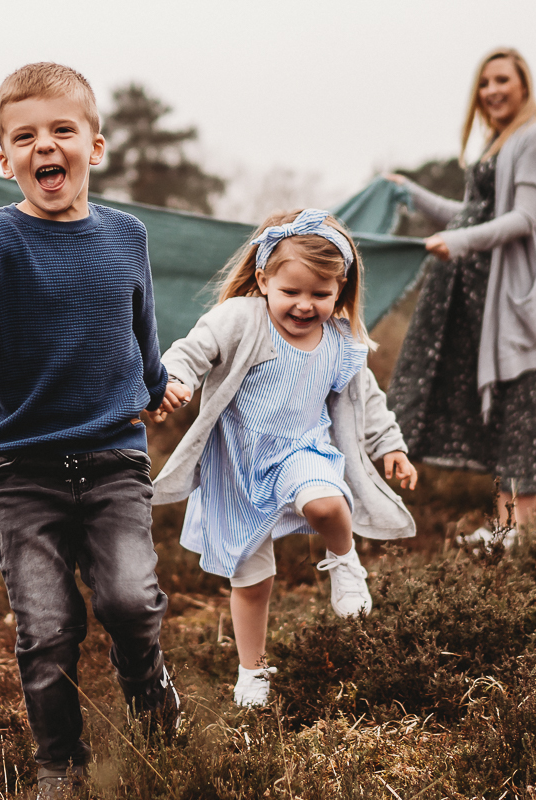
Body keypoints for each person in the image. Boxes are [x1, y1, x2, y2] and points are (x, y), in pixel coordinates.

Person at [0, 63, 179, 798]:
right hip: (23, 471)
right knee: (48, 628)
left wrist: (156, 386)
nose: (45, 146)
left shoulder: (128, 235)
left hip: (113, 456)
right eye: (25, 137)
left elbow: (141, 324)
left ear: (95, 146)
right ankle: (60, 762)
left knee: (130, 599)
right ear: (5, 160)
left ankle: (147, 682)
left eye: (63, 130)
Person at [151, 209, 418, 708]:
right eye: (291, 292)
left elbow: (368, 399)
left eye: (320, 294)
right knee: (251, 579)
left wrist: (391, 447)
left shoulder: (341, 339)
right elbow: (190, 352)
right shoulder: (239, 319)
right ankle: (252, 672)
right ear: (263, 278)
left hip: (303, 450)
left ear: (341, 289)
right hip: (238, 467)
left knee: (326, 505)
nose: (304, 305)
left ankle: (344, 561)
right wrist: (174, 380)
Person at [385, 47, 536, 539]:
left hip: (514, 301)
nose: (491, 91)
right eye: (485, 83)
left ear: (524, 85)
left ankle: (521, 535)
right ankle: (507, 528)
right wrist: (412, 192)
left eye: (502, 80)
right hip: (482, 300)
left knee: (524, 412)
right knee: (504, 417)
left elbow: (522, 219)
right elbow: (470, 215)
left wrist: (460, 242)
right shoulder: (498, 142)